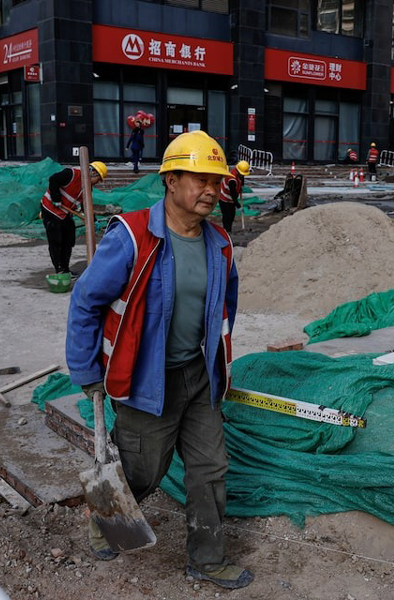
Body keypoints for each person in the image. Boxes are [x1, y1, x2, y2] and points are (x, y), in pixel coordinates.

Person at [66, 130, 253, 590]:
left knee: (211, 469)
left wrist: (216, 364)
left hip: (199, 376)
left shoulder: (220, 245)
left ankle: (207, 560)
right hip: (145, 378)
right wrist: (87, 369)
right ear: (170, 180)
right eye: (199, 179)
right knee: (145, 469)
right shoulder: (132, 236)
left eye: (216, 180)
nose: (211, 189)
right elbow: (86, 300)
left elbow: (224, 308)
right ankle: (104, 516)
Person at [41, 160, 107, 276]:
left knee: (69, 239)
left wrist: (93, 220)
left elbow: (85, 206)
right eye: (99, 179)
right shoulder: (71, 174)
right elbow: (53, 179)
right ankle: (60, 270)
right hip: (50, 209)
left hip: (65, 213)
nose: (98, 183)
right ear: (94, 173)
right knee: (56, 240)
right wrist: (56, 198)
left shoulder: (87, 188)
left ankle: (66, 269)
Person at [218, 160, 249, 233]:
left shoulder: (237, 172)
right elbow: (233, 193)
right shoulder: (232, 179)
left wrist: (240, 186)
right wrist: (237, 204)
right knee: (227, 216)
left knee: (232, 215)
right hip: (224, 198)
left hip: (231, 198)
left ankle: (229, 229)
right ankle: (226, 231)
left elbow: (241, 180)